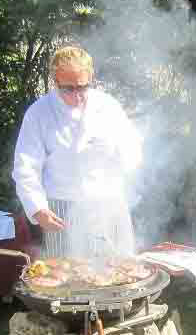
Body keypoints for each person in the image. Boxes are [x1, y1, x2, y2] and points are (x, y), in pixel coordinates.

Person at [12, 46, 143, 260]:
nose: (77, 96)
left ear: (90, 78)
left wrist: (118, 156)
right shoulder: (39, 113)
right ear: (55, 82)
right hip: (62, 209)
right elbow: (25, 166)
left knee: (117, 273)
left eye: (82, 87)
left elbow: (133, 152)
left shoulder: (108, 107)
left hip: (108, 204)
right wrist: (37, 209)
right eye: (68, 89)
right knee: (66, 278)